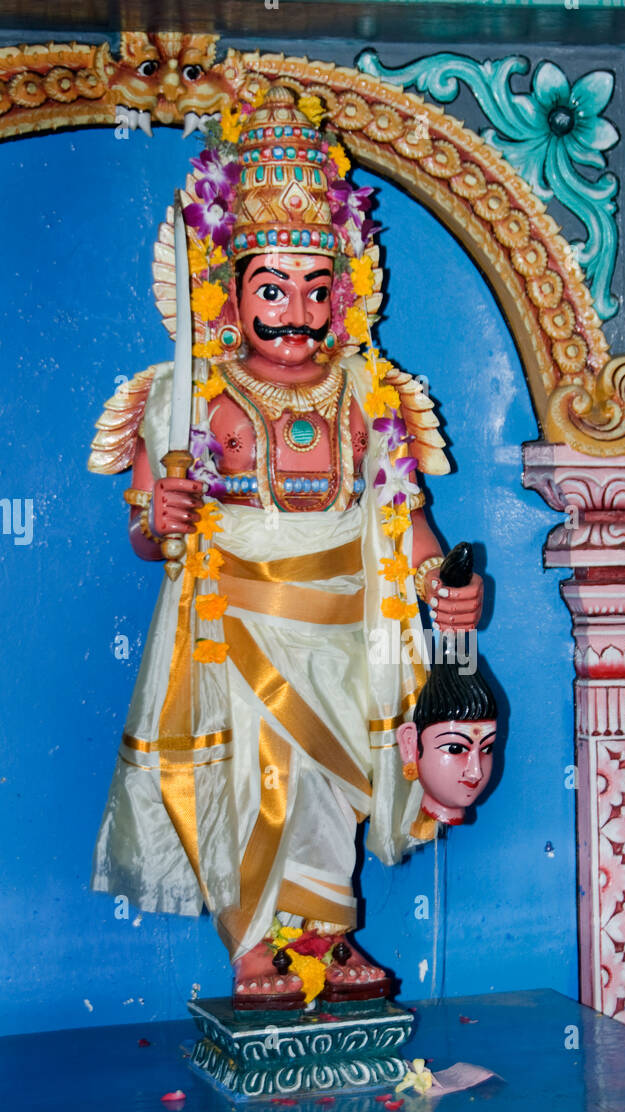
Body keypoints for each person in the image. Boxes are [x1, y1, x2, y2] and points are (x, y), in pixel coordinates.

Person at [87, 84, 483, 1009]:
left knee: (332, 784)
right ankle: (256, 947)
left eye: (315, 289)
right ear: (233, 292)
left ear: (343, 294)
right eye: (273, 288)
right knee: (255, 780)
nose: (295, 312)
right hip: (238, 626)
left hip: (351, 626)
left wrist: (441, 583)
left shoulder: (372, 394)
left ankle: (329, 934)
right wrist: (166, 517)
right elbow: (147, 533)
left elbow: (403, 519)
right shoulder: (183, 397)